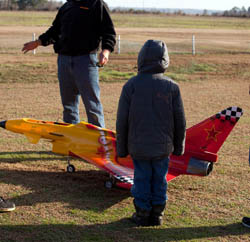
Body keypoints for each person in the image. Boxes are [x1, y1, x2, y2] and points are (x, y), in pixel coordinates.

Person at [116, 40, 186, 226]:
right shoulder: (172, 87)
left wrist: (121, 149)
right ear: (165, 60)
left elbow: (121, 121)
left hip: (138, 146)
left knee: (141, 178)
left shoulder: (130, 86)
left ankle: (142, 213)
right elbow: (180, 121)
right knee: (159, 179)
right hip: (163, 148)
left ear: (141, 59)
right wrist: (179, 147)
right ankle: (157, 213)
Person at [22, 0, 116, 128]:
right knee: (68, 104)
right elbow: (55, 31)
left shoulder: (97, 4)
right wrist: (38, 42)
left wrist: (106, 51)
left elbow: (108, 32)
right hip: (64, 60)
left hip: (86, 60)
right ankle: (71, 140)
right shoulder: (67, 6)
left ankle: (99, 140)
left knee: (92, 104)